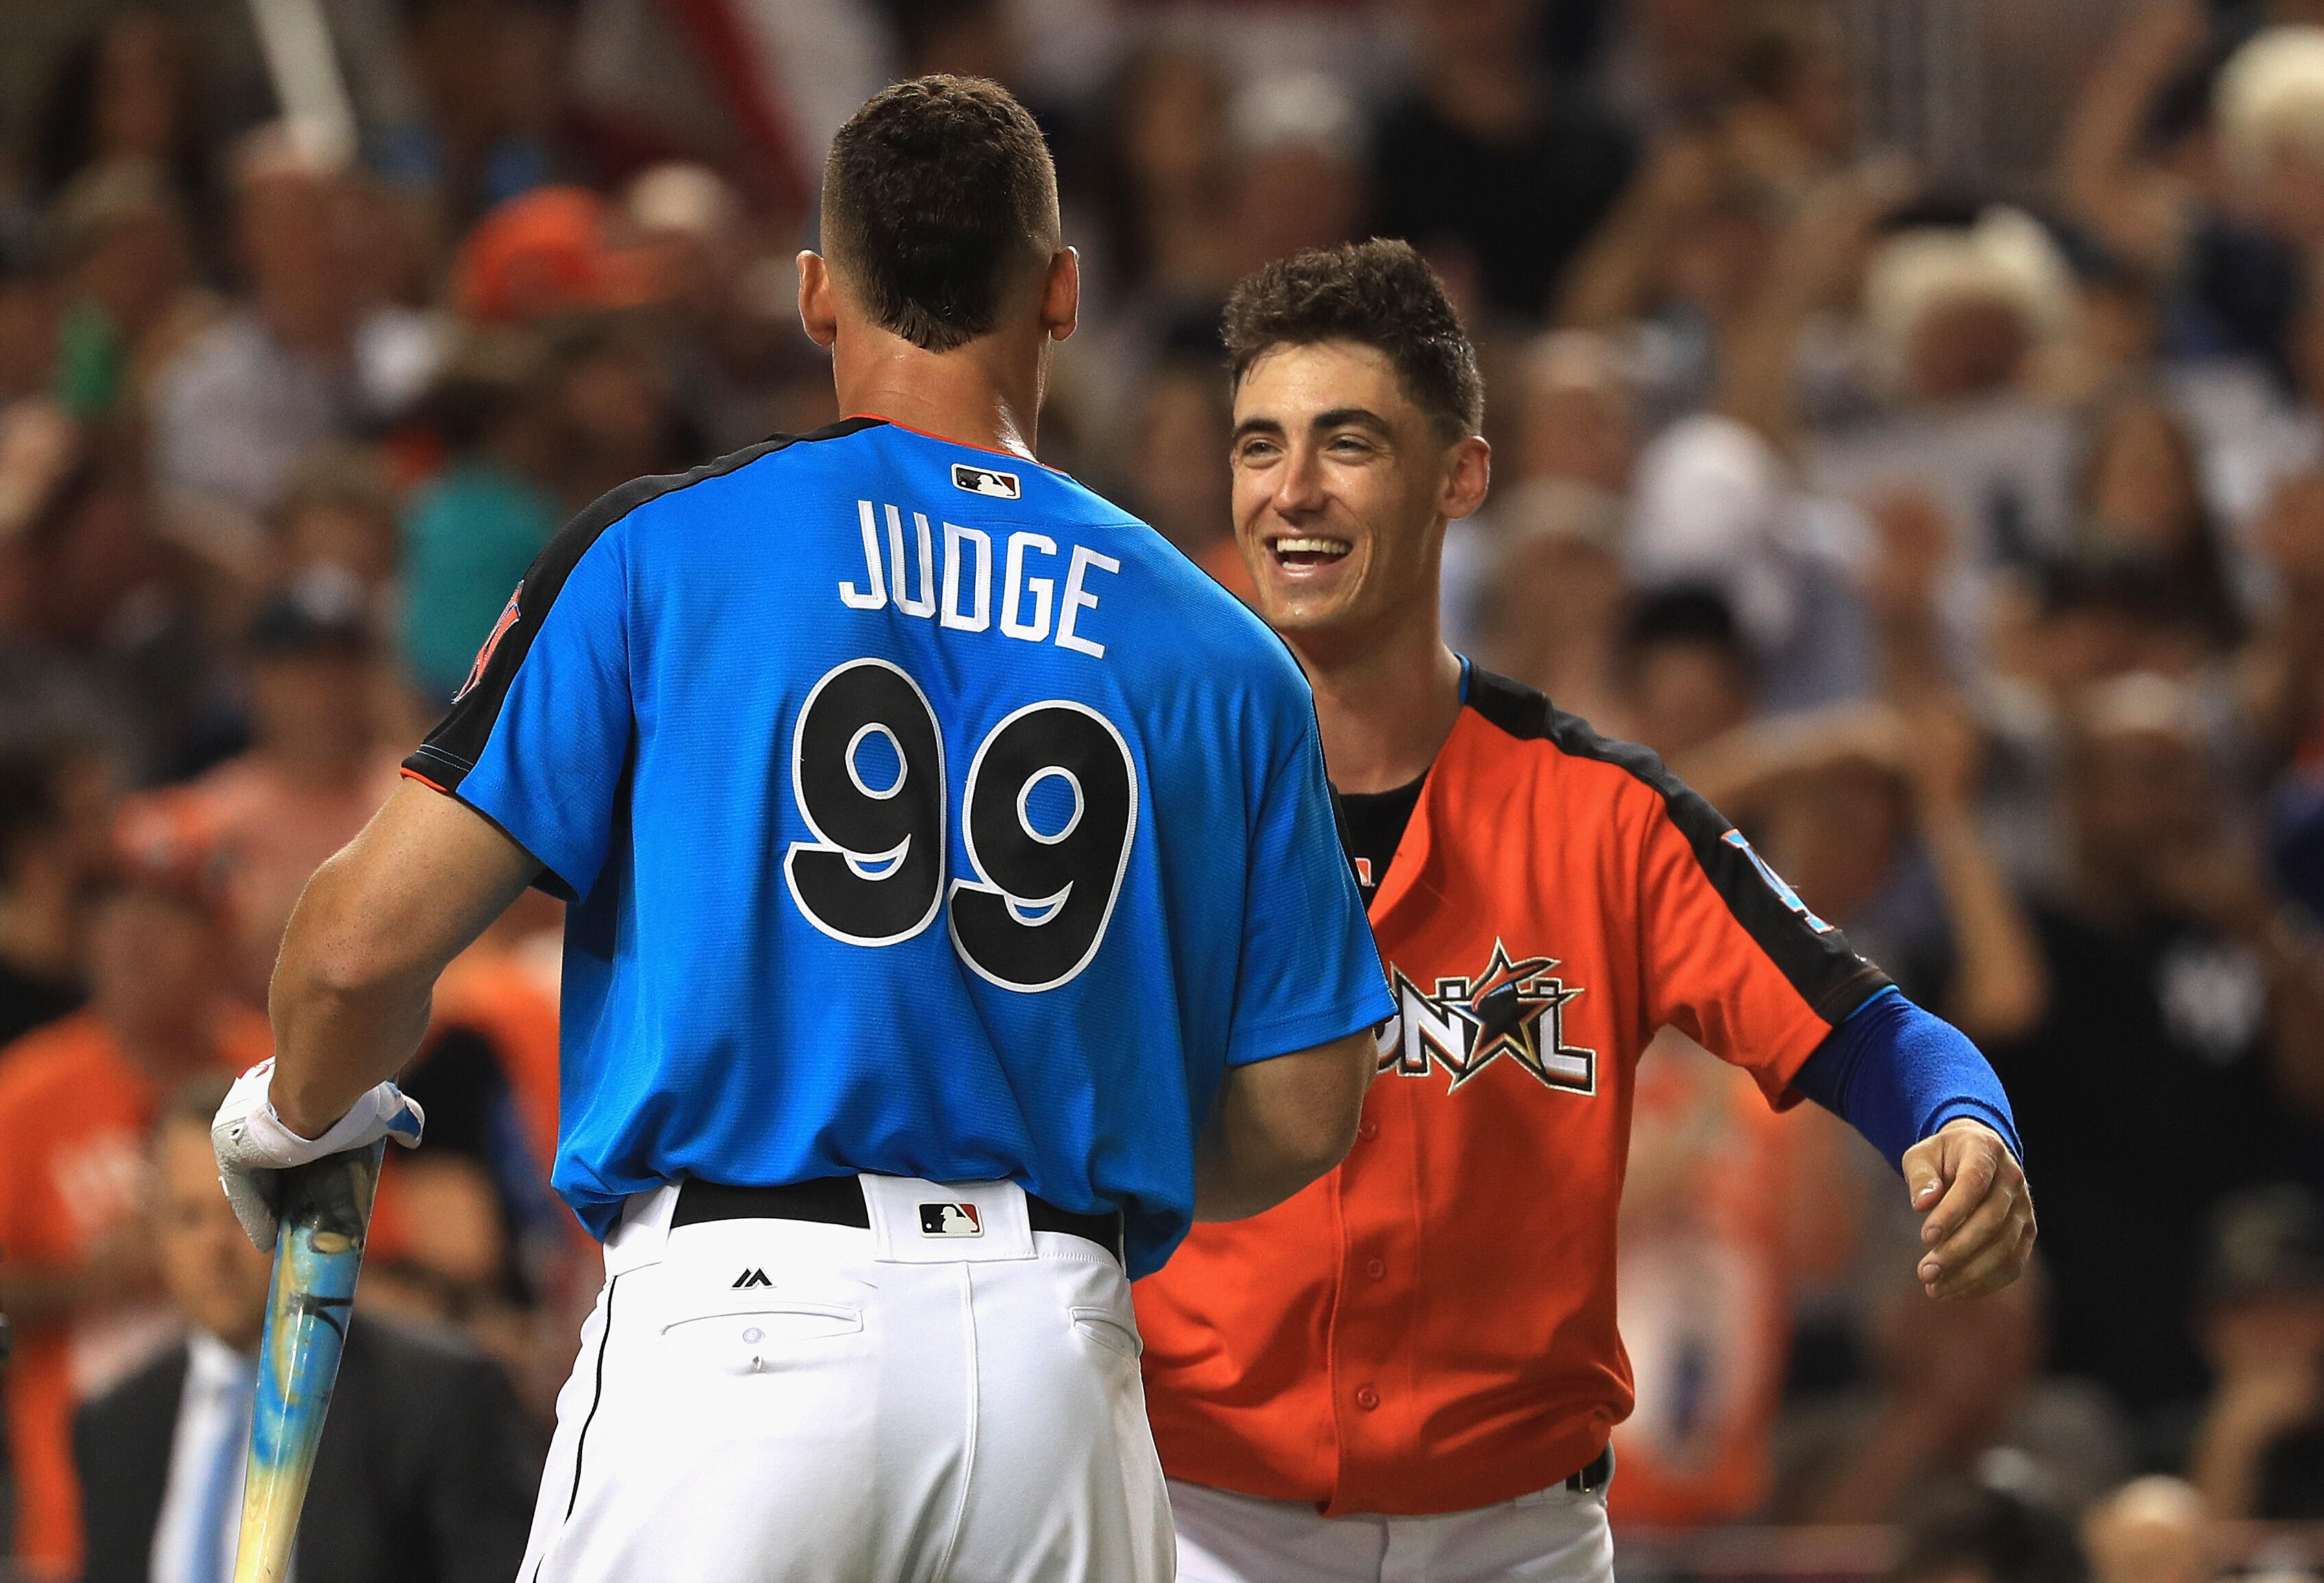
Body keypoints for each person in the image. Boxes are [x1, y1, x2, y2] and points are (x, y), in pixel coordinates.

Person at [209, 75, 1389, 1583]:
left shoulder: (665, 546)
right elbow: (1302, 1108)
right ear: (1061, 292)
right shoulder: (1218, 645)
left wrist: (296, 1114)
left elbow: (351, 953)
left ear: (817, 294)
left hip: (739, 1326)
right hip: (1056, 1355)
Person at [1133, 241, 2034, 1582]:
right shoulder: (1131, 797)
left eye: (1347, 443)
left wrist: (1961, 1123)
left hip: (1514, 1534)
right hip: (1198, 1515)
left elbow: (1871, 1030)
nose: (1292, 491)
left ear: (1462, 473)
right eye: (1259, 446)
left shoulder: (1604, 814)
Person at [75, 1076, 542, 1583]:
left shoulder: (436, 1397)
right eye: (189, 1218)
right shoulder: (114, 1424)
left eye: (240, 1212)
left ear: (301, 1219)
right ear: (153, 1235)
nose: (217, 1250)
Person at [0, 831, 268, 1576]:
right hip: (71, 1511)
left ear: (218, 943)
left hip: (274, 1489)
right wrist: (89, 1281)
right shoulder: (23, 1094)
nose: (131, 945)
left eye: (162, 922)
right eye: (112, 921)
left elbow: (379, 1258)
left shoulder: (280, 1080)